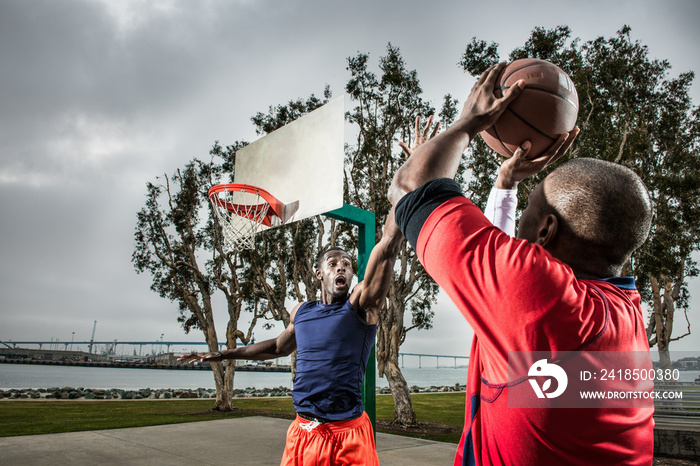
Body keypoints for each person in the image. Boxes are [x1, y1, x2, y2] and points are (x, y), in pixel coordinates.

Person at [387, 62, 654, 465]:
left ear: (546, 230)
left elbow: (408, 186)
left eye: (529, 207)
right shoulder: (623, 316)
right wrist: (507, 187)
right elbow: (504, 283)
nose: (518, 231)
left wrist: (466, 124)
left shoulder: (543, 302)